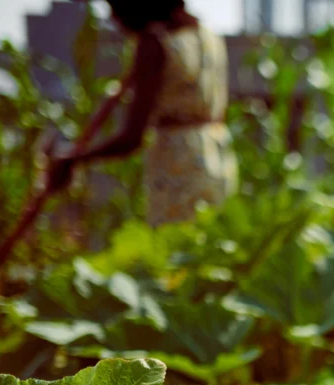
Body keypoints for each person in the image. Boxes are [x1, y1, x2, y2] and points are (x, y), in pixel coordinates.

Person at [47, 0, 237, 226]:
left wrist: (73, 160)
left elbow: (132, 138)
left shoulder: (154, 44)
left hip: (178, 165)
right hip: (217, 155)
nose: (115, 19)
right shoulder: (208, 35)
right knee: (210, 236)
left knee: (174, 241)